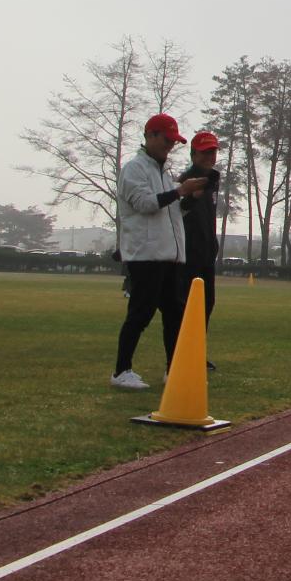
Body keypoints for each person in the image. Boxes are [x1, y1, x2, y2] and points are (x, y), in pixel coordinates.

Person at [113, 114, 210, 390]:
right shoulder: (134, 169)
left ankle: (173, 368)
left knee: (174, 315)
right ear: (150, 136)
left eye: (173, 142)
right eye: (166, 140)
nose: (170, 146)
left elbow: (172, 211)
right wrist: (181, 190)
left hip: (168, 255)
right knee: (140, 313)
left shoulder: (162, 173)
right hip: (146, 254)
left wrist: (189, 199)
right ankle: (121, 370)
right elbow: (145, 204)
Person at [178, 131, 224, 363]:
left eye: (213, 152)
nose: (210, 156)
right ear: (194, 154)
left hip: (206, 255)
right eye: (205, 152)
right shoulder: (185, 181)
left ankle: (197, 352)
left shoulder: (213, 182)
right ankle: (184, 353)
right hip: (188, 256)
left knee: (207, 304)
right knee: (188, 306)